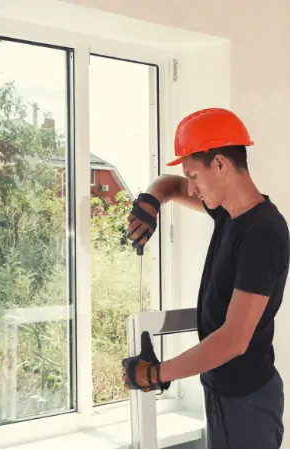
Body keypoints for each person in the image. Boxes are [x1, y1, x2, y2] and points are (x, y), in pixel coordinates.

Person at [122, 108, 289, 449]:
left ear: (221, 165)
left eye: (194, 176)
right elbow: (171, 185)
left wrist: (154, 374)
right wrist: (153, 200)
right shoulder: (229, 214)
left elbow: (233, 340)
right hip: (222, 392)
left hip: (248, 402)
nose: (192, 189)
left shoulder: (262, 233)